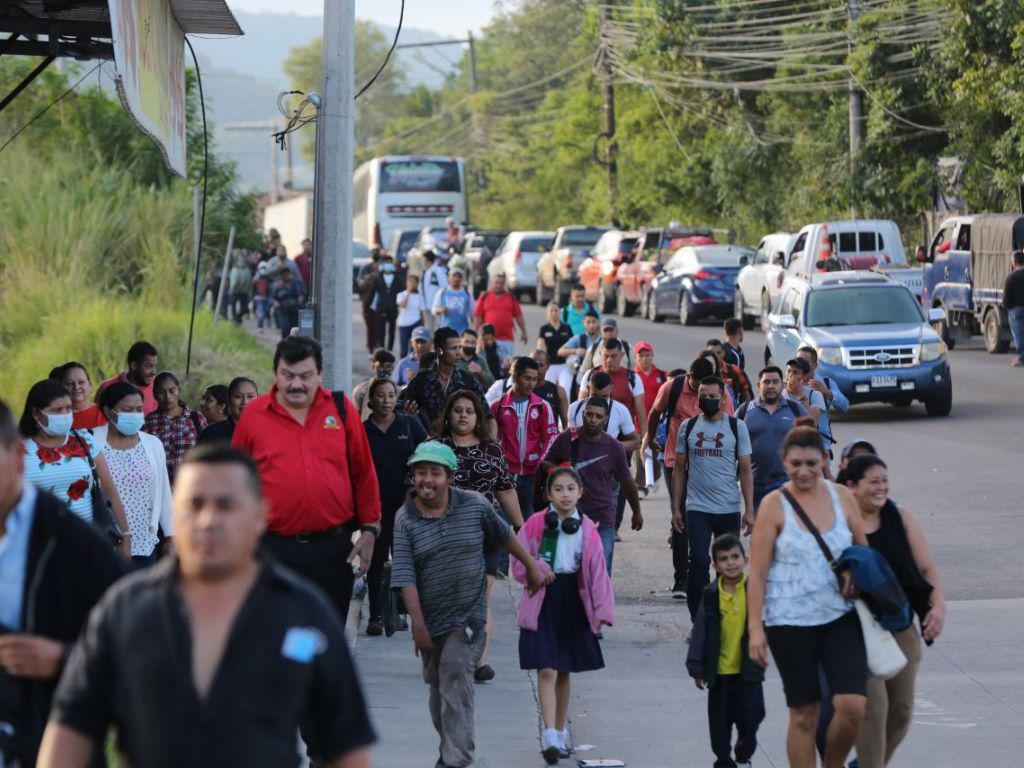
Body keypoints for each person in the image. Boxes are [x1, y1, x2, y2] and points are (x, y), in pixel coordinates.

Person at [37, 445, 375, 768]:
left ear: (260, 516)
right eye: (194, 505)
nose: (209, 520)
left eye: (226, 505)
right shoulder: (126, 611)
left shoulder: (304, 615)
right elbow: (72, 728)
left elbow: (346, 746)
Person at [391, 441, 545, 768]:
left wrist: (530, 567)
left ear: (449, 476)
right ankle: (450, 746)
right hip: (430, 617)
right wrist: (418, 626)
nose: (427, 480)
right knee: (437, 689)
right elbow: (404, 573)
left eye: (435, 473)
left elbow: (503, 535)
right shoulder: (405, 518)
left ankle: (456, 757)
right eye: (421, 473)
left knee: (454, 676)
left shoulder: (474, 505)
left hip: (469, 614)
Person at [0, 399, 126, 768]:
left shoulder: (71, 542)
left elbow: (137, 640)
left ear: (17, 456)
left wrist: (65, 659)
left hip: (51, 742)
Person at [232, 336, 381, 627]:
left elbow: (363, 472)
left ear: (320, 374)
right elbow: (235, 481)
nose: (296, 384)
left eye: (305, 376)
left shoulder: (340, 409)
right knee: (276, 633)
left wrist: (370, 531)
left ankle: (313, 670)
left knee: (325, 634)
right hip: (272, 548)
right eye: (288, 375)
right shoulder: (254, 416)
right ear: (275, 372)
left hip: (331, 548)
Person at [746, 424, 869, 768]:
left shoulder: (842, 497)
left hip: (840, 615)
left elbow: (863, 552)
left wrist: (852, 572)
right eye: (796, 463)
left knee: (852, 705)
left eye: (812, 464)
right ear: (784, 462)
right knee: (804, 712)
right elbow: (756, 574)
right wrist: (755, 630)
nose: (804, 472)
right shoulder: (773, 505)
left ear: (824, 461)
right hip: (788, 621)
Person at [842, 454, 945, 768]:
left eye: (884, 480)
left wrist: (937, 606)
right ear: (851, 486)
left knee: (900, 712)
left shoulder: (900, 516)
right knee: (874, 707)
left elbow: (926, 569)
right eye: (873, 481)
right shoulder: (839, 522)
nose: (881, 487)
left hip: (899, 623)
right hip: (856, 627)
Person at [514, 467, 613, 764]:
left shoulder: (587, 529)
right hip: (542, 598)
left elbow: (598, 572)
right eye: (558, 489)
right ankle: (549, 736)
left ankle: (560, 729)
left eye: (571, 488)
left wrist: (603, 609)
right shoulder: (534, 525)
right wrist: (536, 570)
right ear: (547, 494)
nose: (565, 495)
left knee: (564, 669)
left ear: (580, 492)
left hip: (574, 600)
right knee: (546, 667)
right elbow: (517, 561)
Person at [436, 390, 525, 683]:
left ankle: (478, 661)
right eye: (457, 410)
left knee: (479, 599)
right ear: (449, 414)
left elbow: (506, 489)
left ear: (478, 418)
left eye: (469, 411)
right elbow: (415, 490)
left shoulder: (491, 449)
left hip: (484, 534)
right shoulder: (434, 447)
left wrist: (520, 527)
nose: (463, 415)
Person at [646, 358, 735, 596]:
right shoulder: (672, 387)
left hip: (706, 464)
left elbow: (728, 426)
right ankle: (681, 580)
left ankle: (714, 578)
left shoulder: (720, 394)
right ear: (689, 376)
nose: (699, 393)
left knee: (703, 517)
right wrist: (649, 438)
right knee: (680, 517)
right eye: (695, 385)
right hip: (675, 461)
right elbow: (655, 413)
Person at [670, 376, 754, 624]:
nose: (706, 400)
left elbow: (747, 469)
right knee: (698, 561)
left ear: (723, 398)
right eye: (702, 396)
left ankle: (724, 615)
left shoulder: (737, 428)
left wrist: (749, 509)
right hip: (697, 507)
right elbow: (679, 469)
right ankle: (699, 620)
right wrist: (676, 507)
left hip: (728, 507)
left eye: (712, 397)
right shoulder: (689, 426)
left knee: (727, 565)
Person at [686, 534, 765, 768]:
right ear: (715, 565)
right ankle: (723, 760)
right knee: (719, 724)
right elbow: (700, 630)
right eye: (723, 559)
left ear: (746, 559)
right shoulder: (711, 595)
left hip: (749, 672)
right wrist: (696, 666)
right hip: (719, 674)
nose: (730, 563)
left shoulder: (754, 589)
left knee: (753, 716)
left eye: (735, 557)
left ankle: (744, 752)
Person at [539, 397, 642, 573]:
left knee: (600, 575)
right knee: (567, 574)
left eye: (598, 416)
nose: (593, 419)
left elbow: (627, 482)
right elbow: (545, 464)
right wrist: (562, 470)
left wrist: (636, 512)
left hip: (602, 521)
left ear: (606, 419)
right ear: (583, 415)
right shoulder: (567, 438)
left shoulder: (614, 447)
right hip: (568, 518)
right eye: (589, 414)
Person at [18, 379, 128, 543]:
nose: (65, 414)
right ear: (36, 414)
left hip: (85, 543)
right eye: (56, 410)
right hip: (37, 547)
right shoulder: (18, 450)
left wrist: (126, 535)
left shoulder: (85, 440)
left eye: (68, 408)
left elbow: (110, 489)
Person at [362, 377, 428, 636]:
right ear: (370, 400)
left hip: (407, 505)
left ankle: (401, 614)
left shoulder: (409, 424)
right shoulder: (363, 431)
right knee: (376, 561)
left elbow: (429, 450)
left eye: (391, 395)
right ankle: (375, 615)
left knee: (405, 561)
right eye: (381, 396)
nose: (387, 401)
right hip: (376, 507)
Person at [94, 382, 174, 567]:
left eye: (139, 409)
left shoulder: (153, 444)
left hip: (145, 544)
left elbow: (163, 492)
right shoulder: (91, 441)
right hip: (106, 541)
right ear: (108, 411)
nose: (135, 415)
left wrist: (171, 535)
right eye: (127, 409)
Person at [492, 357, 558, 519]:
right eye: (527, 378)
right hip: (506, 472)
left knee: (529, 515)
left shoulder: (542, 406)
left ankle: (527, 544)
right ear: (515, 377)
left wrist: (540, 461)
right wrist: (498, 462)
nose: (531, 383)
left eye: (535, 379)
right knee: (503, 517)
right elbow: (492, 438)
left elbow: (550, 436)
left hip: (532, 473)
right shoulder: (498, 406)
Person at [736, 367, 808, 512]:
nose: (770, 386)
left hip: (787, 483)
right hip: (754, 485)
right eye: (766, 382)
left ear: (782, 384)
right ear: (758, 385)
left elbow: (811, 443)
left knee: (785, 530)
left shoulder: (796, 410)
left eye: (775, 382)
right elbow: (730, 443)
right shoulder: (744, 411)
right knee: (761, 531)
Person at [401, 326, 494, 435]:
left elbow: (488, 417)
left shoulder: (468, 381)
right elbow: (404, 417)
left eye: (459, 347)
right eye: (454, 348)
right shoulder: (420, 382)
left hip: (461, 447)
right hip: (427, 447)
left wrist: (492, 445)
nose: (459, 352)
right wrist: (408, 416)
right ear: (439, 351)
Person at [144, 371, 207, 485]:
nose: (168, 397)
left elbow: (206, 453)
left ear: (179, 390)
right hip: (158, 488)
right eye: (161, 392)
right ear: (154, 395)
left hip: (192, 486)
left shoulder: (196, 419)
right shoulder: (148, 422)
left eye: (172, 391)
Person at [796, 345, 849, 458]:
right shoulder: (789, 385)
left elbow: (844, 405)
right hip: (795, 445)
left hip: (821, 446)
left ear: (815, 366)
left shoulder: (826, 382)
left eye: (804, 361)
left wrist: (827, 392)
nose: (801, 365)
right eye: (798, 361)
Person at [567, 371, 640, 451]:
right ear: (588, 389)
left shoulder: (621, 410)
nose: (599, 401)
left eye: (604, 397)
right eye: (594, 396)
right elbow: (569, 438)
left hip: (608, 462)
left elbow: (635, 442)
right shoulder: (574, 408)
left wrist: (611, 447)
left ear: (611, 389)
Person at [473, 273, 527, 361]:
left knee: (507, 365)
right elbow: (477, 317)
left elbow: (518, 316)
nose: (499, 285)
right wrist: (474, 334)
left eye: (501, 283)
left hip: (507, 339)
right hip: (488, 339)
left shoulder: (510, 297)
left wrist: (524, 332)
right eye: (496, 282)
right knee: (489, 364)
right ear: (491, 283)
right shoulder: (484, 297)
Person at [96, 340, 159, 415]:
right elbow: (96, 420)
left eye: (155, 366)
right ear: (134, 366)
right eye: (149, 366)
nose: (154, 372)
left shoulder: (159, 389)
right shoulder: (106, 387)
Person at [197, 377, 259, 445]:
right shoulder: (211, 434)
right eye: (238, 396)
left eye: (250, 396)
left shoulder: (268, 431)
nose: (245, 402)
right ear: (229, 400)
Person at [576, 318, 632, 383]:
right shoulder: (593, 349)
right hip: (599, 388)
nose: (608, 333)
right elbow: (584, 372)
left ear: (617, 331)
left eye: (611, 330)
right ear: (601, 332)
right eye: (605, 330)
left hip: (622, 386)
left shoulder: (627, 347)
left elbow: (635, 370)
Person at [55, 362, 106, 430]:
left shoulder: (105, 414)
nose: (76, 387)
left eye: (81, 382)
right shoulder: (54, 418)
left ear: (90, 385)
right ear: (60, 387)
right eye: (70, 384)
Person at [539, 301, 576, 394]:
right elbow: (541, 346)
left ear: (560, 312)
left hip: (565, 365)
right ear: (547, 313)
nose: (554, 313)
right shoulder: (544, 329)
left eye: (556, 310)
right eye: (551, 311)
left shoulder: (567, 328)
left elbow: (573, 343)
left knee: (565, 389)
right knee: (548, 392)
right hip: (550, 366)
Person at [370, 253, 403, 353]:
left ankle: (389, 349)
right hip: (382, 306)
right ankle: (381, 348)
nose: (388, 265)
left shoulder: (398, 278)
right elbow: (372, 292)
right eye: (386, 263)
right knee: (381, 329)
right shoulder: (377, 277)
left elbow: (402, 291)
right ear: (383, 264)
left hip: (393, 307)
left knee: (392, 330)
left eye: (390, 263)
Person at [353, 348, 397, 419]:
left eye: (388, 367)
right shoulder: (361, 391)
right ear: (373, 365)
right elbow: (355, 418)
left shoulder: (398, 391)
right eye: (380, 366)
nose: (383, 370)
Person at [707, 339, 753, 405]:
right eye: (712, 354)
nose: (715, 356)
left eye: (718, 353)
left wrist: (742, 412)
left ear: (723, 353)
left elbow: (746, 393)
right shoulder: (703, 371)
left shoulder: (734, 370)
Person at [530, 349, 569, 429]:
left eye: (541, 365)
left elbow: (566, 424)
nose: (537, 369)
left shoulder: (558, 391)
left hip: (551, 439)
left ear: (548, 366)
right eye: (533, 365)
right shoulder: (522, 390)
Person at [785, 357, 825, 428]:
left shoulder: (815, 394)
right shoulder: (779, 393)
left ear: (804, 377)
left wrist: (801, 395)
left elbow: (813, 422)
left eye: (795, 372)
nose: (790, 375)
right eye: (788, 371)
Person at [433, 266, 474, 334]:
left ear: (461, 278)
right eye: (454, 276)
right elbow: (434, 310)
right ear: (449, 278)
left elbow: (473, 312)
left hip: (463, 332)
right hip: (446, 331)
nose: (456, 278)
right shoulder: (442, 292)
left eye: (458, 276)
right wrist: (441, 310)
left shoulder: (467, 293)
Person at [397, 273, 429, 358]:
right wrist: (408, 292)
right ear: (407, 283)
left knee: (413, 348)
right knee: (403, 349)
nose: (412, 284)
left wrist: (423, 325)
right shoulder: (401, 295)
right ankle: (402, 365)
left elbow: (422, 312)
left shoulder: (420, 297)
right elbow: (403, 305)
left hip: (416, 323)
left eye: (414, 282)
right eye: (410, 282)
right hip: (403, 324)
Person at [357, 248, 383, 354]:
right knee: (371, 329)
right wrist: (369, 278)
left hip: (380, 307)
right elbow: (360, 285)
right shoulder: (368, 276)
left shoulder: (382, 274)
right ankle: (371, 348)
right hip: (368, 307)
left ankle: (377, 347)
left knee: (378, 329)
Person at [1001, 249, 1024, 366]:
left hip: (1016, 310)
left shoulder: (1011, 277)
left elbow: (1006, 298)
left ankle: (1021, 358)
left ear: (1014, 262)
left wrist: (1006, 308)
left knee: (1019, 334)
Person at [633, 341, 667, 418]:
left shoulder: (662, 375)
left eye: (647, 355)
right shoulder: (631, 377)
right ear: (635, 358)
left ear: (652, 355)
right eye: (641, 356)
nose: (644, 359)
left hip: (657, 421)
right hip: (637, 423)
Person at [421, 250, 448, 329]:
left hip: (436, 306)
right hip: (427, 305)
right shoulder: (426, 271)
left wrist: (441, 303)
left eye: (423, 260)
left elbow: (444, 287)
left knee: (437, 328)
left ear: (427, 260)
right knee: (429, 328)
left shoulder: (439, 270)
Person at [228, 252, 252, 323]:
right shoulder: (235, 270)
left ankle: (237, 317)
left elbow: (249, 281)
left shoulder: (246, 270)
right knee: (234, 305)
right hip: (236, 291)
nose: (241, 262)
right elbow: (233, 282)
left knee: (243, 307)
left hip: (242, 291)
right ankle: (235, 318)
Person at [252, 260, 273, 330]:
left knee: (263, 311)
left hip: (262, 297)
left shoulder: (258, 276)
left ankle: (260, 325)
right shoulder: (268, 277)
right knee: (263, 312)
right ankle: (261, 325)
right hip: (263, 297)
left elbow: (253, 286)